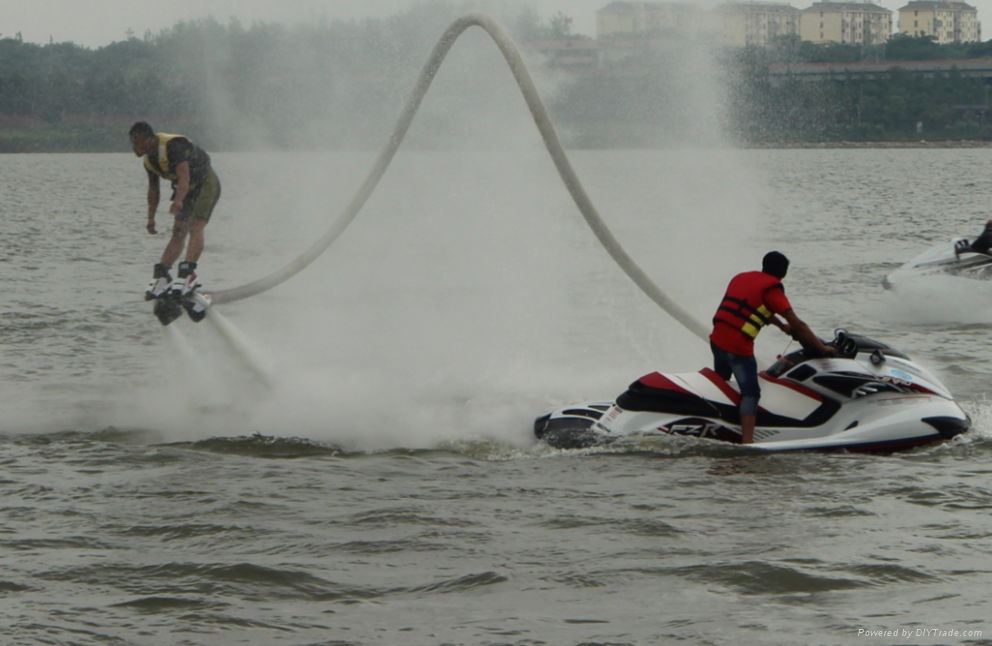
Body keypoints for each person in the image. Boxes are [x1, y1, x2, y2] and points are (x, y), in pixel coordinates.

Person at [710, 251, 835, 445]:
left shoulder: (743, 278)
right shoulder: (772, 290)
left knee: (723, 384)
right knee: (751, 393)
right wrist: (822, 348)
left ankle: (719, 425)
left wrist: (782, 327)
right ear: (783, 272)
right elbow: (798, 324)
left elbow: (755, 308)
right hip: (737, 349)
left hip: (717, 340)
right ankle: (748, 442)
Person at [128, 121, 221, 299]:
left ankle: (188, 274)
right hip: (185, 190)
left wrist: (178, 201)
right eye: (133, 143)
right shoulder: (149, 161)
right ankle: (163, 275)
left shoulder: (173, 146)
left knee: (195, 226)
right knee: (178, 231)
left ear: (149, 139)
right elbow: (153, 191)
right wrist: (150, 218)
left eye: (138, 142)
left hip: (205, 183)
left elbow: (184, 178)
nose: (135, 147)